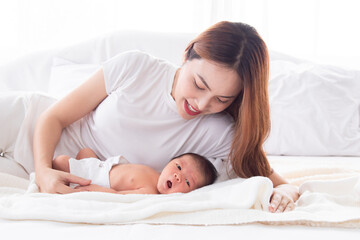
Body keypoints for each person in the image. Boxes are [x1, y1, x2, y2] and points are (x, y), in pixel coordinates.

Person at [0, 21, 299, 213]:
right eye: (198, 84)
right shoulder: (137, 67)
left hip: (43, 173)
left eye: (222, 99)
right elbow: (54, 117)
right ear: (186, 55)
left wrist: (286, 191)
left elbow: (279, 181)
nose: (202, 103)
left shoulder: (221, 135)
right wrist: (42, 171)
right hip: (27, 126)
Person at [52, 148, 218, 194]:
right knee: (85, 151)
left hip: (96, 179)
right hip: (105, 165)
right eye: (178, 166)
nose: (177, 176)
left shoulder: (150, 192)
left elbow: (118, 196)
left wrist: (94, 189)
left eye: (188, 182)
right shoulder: (155, 173)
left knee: (59, 162)